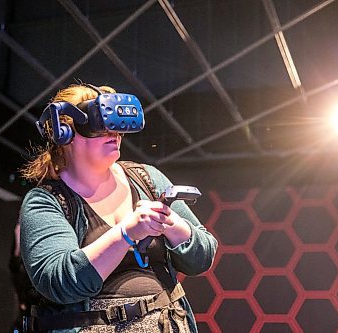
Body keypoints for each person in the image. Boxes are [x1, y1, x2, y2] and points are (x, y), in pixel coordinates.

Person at [18, 83, 217, 333]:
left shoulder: (147, 179)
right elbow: (60, 282)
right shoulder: (46, 201)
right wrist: (126, 233)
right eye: (99, 125)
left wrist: (171, 224)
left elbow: (203, 257)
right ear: (65, 133)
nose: (113, 133)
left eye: (116, 125)